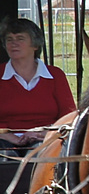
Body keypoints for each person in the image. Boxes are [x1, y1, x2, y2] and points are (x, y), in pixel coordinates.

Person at [0, 16, 74, 147]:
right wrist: (12, 138)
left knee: (40, 159)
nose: (13, 44)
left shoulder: (55, 75)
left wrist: (45, 134)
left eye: (20, 39)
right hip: (4, 139)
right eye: (9, 40)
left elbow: (68, 117)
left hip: (45, 139)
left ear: (35, 45)